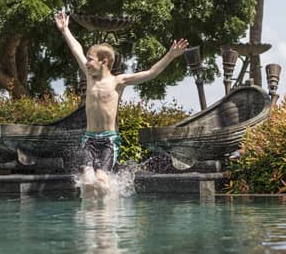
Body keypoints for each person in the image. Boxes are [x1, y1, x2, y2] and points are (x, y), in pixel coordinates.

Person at [55, 11, 188, 196]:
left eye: (90, 60)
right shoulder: (90, 78)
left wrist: (171, 55)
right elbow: (76, 49)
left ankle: (108, 207)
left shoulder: (118, 82)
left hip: (109, 140)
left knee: (100, 178)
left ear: (104, 62)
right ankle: (90, 217)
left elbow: (150, 73)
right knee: (87, 179)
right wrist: (65, 30)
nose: (86, 63)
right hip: (89, 138)